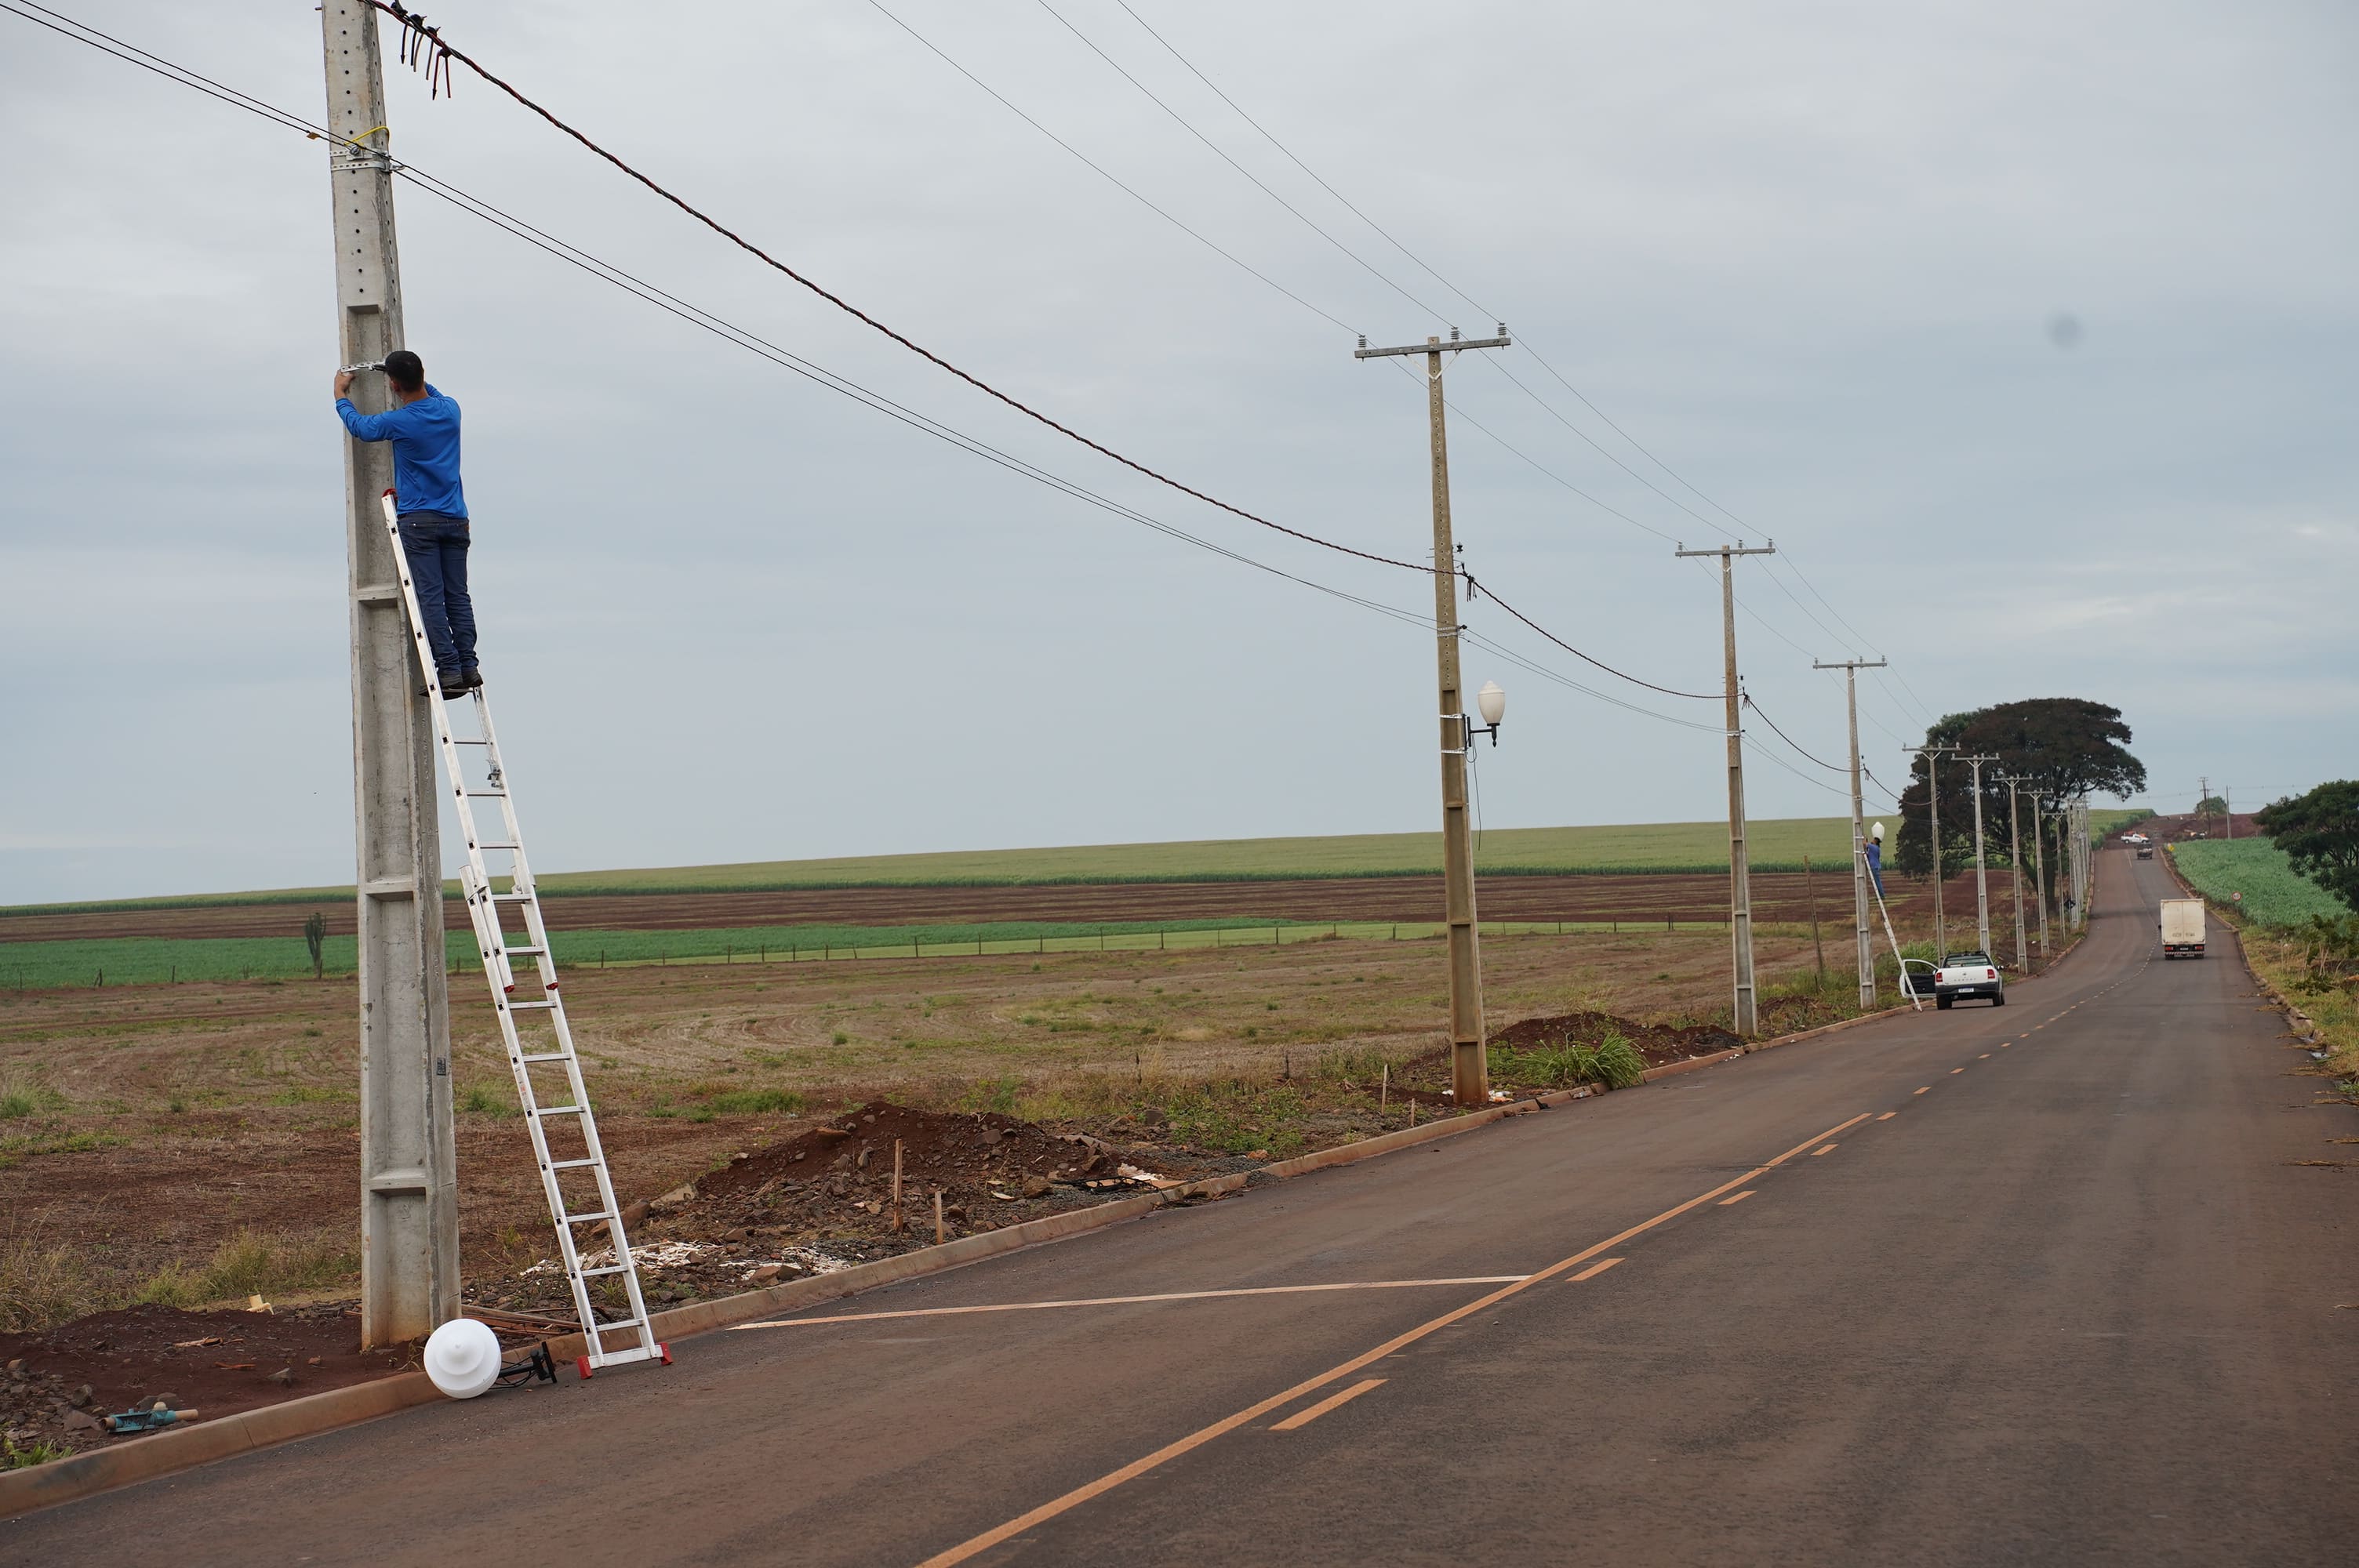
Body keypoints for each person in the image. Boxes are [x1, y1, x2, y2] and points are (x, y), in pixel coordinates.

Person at [333, 350, 479, 693]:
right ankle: (469, 666)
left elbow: (361, 427)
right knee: (457, 596)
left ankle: (449, 672)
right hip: (456, 519)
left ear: (394, 385)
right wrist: (403, 373)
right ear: (422, 375)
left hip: (419, 522)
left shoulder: (401, 421)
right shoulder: (450, 410)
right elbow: (430, 390)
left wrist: (340, 394)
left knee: (430, 598)